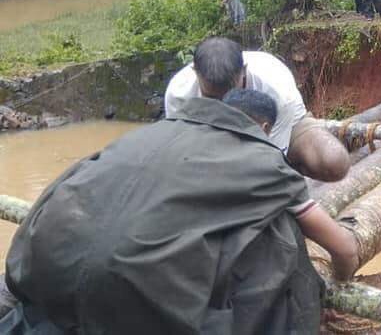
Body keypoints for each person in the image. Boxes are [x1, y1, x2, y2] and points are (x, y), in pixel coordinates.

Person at [2, 93, 359, 334]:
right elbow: (342, 247)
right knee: (282, 229)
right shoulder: (264, 162)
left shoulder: (151, 133)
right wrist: (336, 284)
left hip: (42, 270)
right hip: (132, 298)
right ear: (263, 127)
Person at [165, 37, 350, 182]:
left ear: (244, 71)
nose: (221, 106)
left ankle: (293, 174)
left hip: (281, 132)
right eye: (212, 98)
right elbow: (184, 152)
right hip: (210, 145)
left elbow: (269, 160)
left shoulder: (277, 91)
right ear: (194, 72)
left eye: (230, 96)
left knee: (333, 162)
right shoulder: (178, 95)